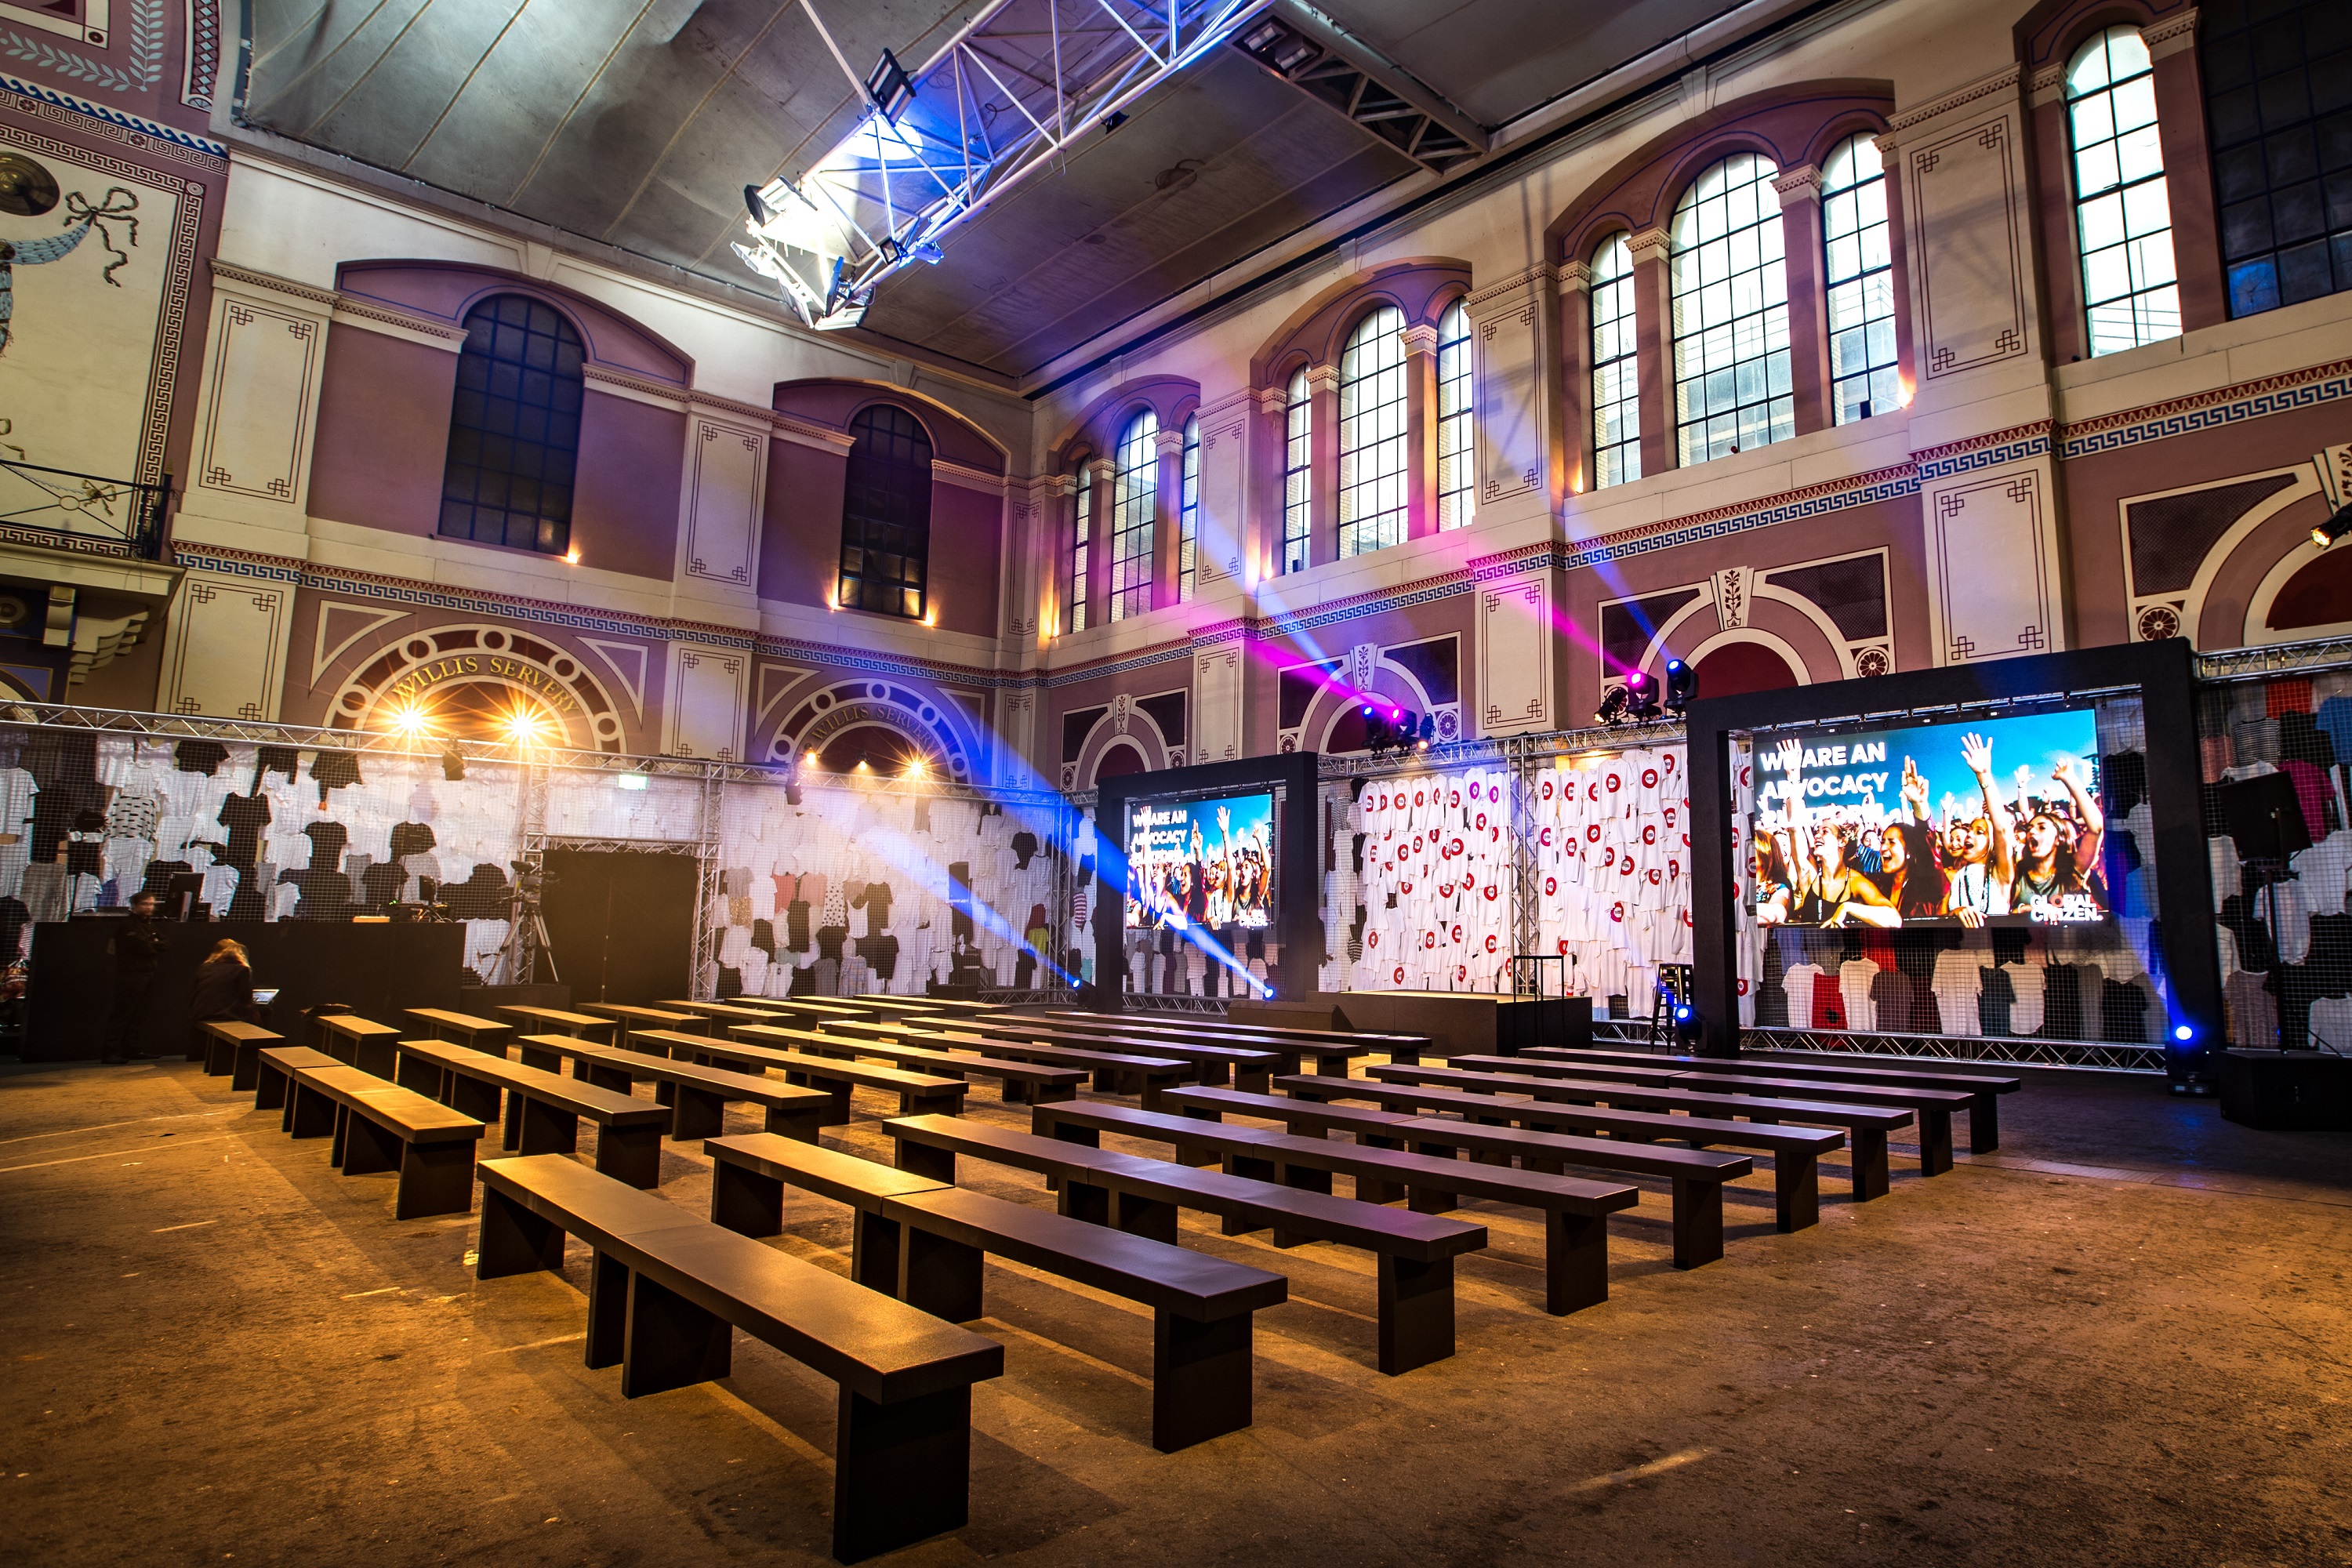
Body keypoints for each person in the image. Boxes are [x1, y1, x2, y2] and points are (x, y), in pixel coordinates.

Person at [101, 890, 165, 1063]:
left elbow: (163, 944)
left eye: (151, 904)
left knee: (139, 1014)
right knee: (123, 1014)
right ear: (135, 906)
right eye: (145, 904)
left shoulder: (149, 926)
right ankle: (111, 1052)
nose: (149, 907)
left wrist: (152, 945)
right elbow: (144, 948)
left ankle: (132, 1049)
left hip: (146, 974)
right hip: (131, 975)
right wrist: (153, 945)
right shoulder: (128, 926)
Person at [189, 937, 260, 1026]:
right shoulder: (241, 969)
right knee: (265, 1010)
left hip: (200, 1015)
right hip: (226, 1016)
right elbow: (246, 999)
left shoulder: (203, 968)